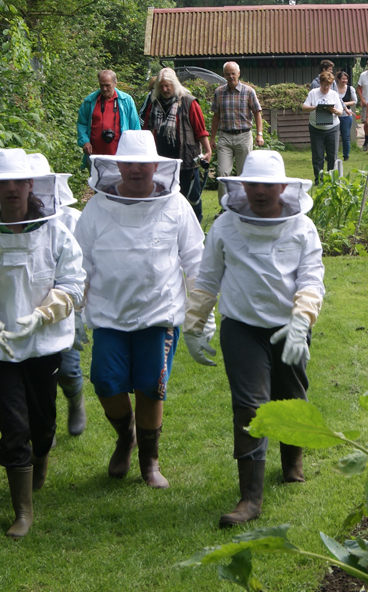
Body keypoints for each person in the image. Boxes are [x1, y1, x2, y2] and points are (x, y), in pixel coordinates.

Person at [182, 150, 324, 528]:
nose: (260, 191)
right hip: (242, 327)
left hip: (289, 326)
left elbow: (312, 279)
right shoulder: (225, 226)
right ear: (242, 186)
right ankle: (250, 498)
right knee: (249, 407)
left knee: (290, 396)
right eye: (253, 184)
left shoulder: (303, 228)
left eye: (268, 185)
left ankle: (292, 461)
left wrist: (302, 320)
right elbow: (207, 278)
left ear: (283, 187)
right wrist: (194, 325)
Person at [0, 149, 86, 538]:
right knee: (13, 425)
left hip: (44, 343)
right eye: (3, 183)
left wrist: (43, 315)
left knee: (43, 424)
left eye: (18, 181)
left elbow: (74, 283)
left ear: (31, 185)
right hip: (1, 347)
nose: (11, 188)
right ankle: (22, 512)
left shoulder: (56, 232)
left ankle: (40, 458)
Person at [75, 130, 205, 489]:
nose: (136, 170)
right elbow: (79, 262)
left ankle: (150, 462)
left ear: (156, 167)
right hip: (108, 315)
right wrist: (73, 312)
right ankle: (126, 436)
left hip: (159, 314)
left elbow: (195, 260)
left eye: (143, 164)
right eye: (129, 163)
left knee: (152, 386)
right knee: (105, 382)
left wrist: (201, 316)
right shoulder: (97, 208)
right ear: (118, 166)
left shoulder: (176, 205)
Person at [139, 68, 213, 221]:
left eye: (168, 86)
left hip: (186, 160)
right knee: (165, 198)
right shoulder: (154, 104)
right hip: (162, 161)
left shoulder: (189, 102)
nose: (165, 89)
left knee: (191, 198)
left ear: (175, 84)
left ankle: (195, 228)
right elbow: (146, 129)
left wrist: (208, 150)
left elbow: (200, 130)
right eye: (162, 86)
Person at [54, 174, 89, 437]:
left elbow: (84, 265)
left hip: (65, 305)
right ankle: (43, 427)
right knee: (35, 375)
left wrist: (77, 308)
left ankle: (75, 400)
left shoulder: (72, 219)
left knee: (67, 369)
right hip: (25, 308)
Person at [211, 61, 265, 204]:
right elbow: (216, 116)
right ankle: (224, 206)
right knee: (223, 173)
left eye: (233, 73)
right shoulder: (219, 92)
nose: (231, 76)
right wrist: (212, 138)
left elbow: (257, 113)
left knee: (244, 173)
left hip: (244, 136)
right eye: (227, 74)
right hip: (225, 136)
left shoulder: (249, 92)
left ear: (239, 74)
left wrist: (259, 134)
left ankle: (243, 205)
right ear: (224, 75)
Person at [76, 69, 141, 168]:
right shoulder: (90, 101)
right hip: (95, 156)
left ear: (115, 83)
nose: (104, 89)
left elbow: (135, 127)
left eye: (107, 85)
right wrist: (85, 141)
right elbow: (82, 123)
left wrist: (135, 152)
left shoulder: (126, 101)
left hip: (120, 156)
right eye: (101, 85)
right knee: (95, 178)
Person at [302, 70, 344, 180]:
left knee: (332, 155)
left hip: (332, 128)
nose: (326, 88)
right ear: (320, 83)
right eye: (324, 85)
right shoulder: (313, 93)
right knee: (318, 155)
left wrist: (334, 110)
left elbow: (340, 111)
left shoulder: (334, 94)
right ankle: (319, 179)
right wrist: (315, 107)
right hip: (316, 128)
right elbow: (304, 107)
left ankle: (331, 179)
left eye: (328, 86)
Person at [335, 71, 358, 160]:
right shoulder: (334, 89)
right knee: (334, 136)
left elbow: (355, 101)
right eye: (343, 78)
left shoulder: (350, 89)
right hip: (335, 115)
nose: (345, 80)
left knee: (346, 136)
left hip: (346, 116)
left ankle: (346, 155)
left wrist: (344, 104)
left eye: (346, 79)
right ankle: (333, 154)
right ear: (338, 79)